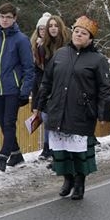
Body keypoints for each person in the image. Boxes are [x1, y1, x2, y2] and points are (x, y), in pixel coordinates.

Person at [35, 16, 110, 200]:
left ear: (90, 38)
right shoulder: (60, 54)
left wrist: (104, 114)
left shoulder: (98, 60)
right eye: (77, 31)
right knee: (60, 151)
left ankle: (79, 182)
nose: (78, 35)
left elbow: (105, 89)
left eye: (83, 33)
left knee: (78, 153)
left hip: (82, 112)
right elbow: (46, 81)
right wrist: (39, 105)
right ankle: (67, 179)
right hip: (57, 109)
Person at [0, 2, 35, 172]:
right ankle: (16, 155)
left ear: (14, 18)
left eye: (8, 17)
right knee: (3, 123)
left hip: (13, 90)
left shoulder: (21, 40)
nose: (4, 20)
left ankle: (2, 158)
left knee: (9, 123)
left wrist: (24, 91)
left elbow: (29, 68)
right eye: (2, 17)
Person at [32, 13, 70, 161]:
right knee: (47, 117)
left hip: (66, 87)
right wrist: (38, 100)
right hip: (50, 89)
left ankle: (62, 151)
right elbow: (41, 72)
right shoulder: (43, 47)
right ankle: (51, 149)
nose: (53, 28)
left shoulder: (67, 45)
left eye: (56, 26)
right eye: (50, 26)